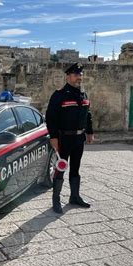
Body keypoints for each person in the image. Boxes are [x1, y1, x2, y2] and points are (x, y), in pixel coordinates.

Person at [45, 63, 94, 214]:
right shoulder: (59, 94)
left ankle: (74, 196)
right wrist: (53, 137)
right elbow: (50, 117)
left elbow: (88, 114)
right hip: (64, 139)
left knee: (75, 169)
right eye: (76, 74)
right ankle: (56, 200)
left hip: (79, 139)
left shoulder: (83, 94)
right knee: (60, 169)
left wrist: (90, 132)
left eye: (80, 74)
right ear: (68, 76)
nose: (79, 77)